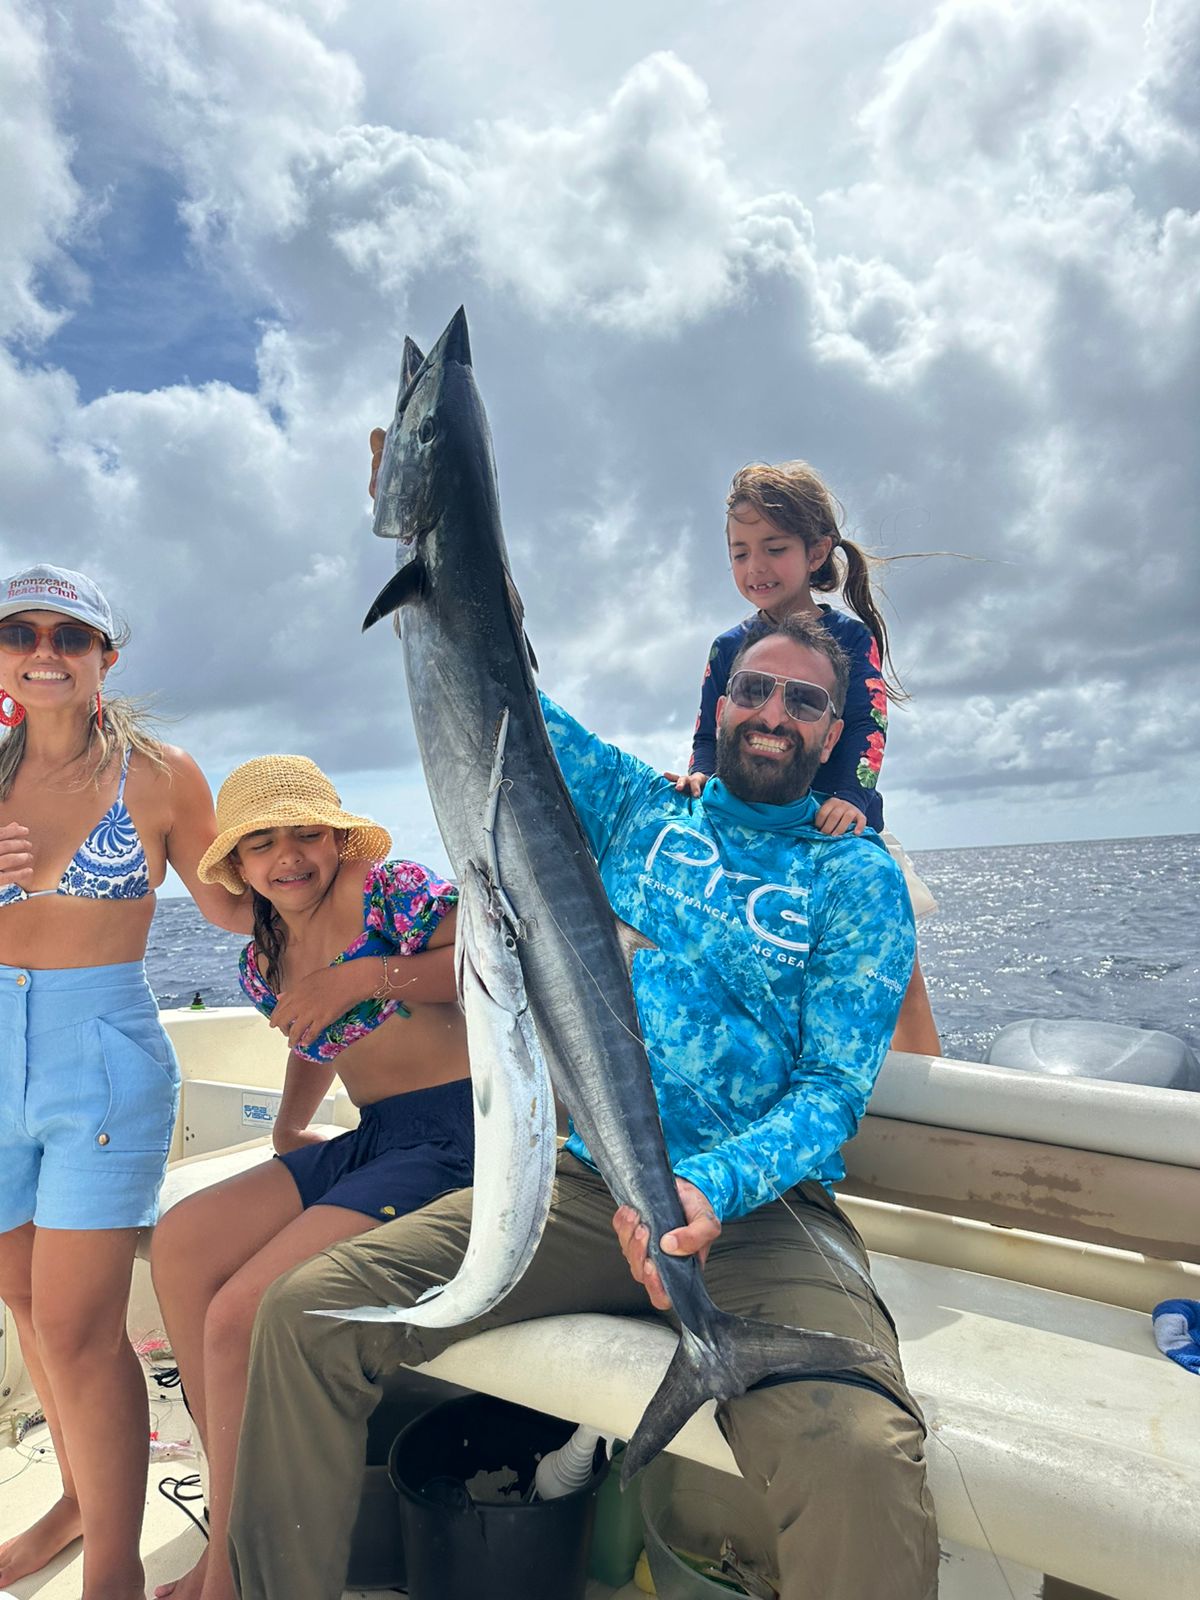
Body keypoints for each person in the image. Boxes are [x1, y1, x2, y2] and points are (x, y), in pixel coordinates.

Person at [226, 614, 939, 1600]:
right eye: (755, 689)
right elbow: (501, 700)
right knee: (306, 1314)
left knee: (857, 1448)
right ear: (720, 706)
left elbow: (832, 1092)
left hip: (760, 1216)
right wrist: (461, 577)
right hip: (582, 1185)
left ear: (831, 730)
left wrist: (708, 1182)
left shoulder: (857, 877)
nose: (775, 712)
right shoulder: (642, 811)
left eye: (804, 699)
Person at [149, 755, 468, 1600]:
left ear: (336, 839)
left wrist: (367, 975)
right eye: (262, 843)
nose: (288, 857)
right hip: (378, 1137)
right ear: (238, 866)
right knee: (181, 1244)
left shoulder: (393, 889)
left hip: (460, 1134)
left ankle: (231, 1574)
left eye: (306, 834)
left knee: (238, 1316)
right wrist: (292, 1125)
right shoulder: (264, 958)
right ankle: (230, 1531)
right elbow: (312, 1035)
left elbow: (489, 966)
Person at [0, 564, 250, 1600]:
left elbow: (237, 909)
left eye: (72, 634)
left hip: (103, 1056)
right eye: (23, 632)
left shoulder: (158, 774)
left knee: (75, 1326)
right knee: (19, 1297)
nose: (45, 651)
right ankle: (73, 1497)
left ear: (108, 655)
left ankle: (109, 1567)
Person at [675, 460, 941, 1056]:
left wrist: (852, 798)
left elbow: (868, 727)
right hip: (754, 829)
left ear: (817, 551)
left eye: (774, 547)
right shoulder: (727, 647)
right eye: (740, 553)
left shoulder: (849, 639)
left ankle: (939, 1105)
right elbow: (708, 731)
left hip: (835, 823)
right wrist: (699, 777)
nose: (756, 567)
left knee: (899, 975)